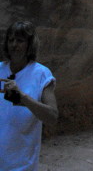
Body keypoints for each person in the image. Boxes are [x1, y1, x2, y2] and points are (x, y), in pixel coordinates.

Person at [0, 20, 58, 170]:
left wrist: (24, 98)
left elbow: (52, 116)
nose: (14, 45)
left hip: (21, 163)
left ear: (30, 44)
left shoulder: (41, 74)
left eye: (20, 41)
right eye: (11, 40)